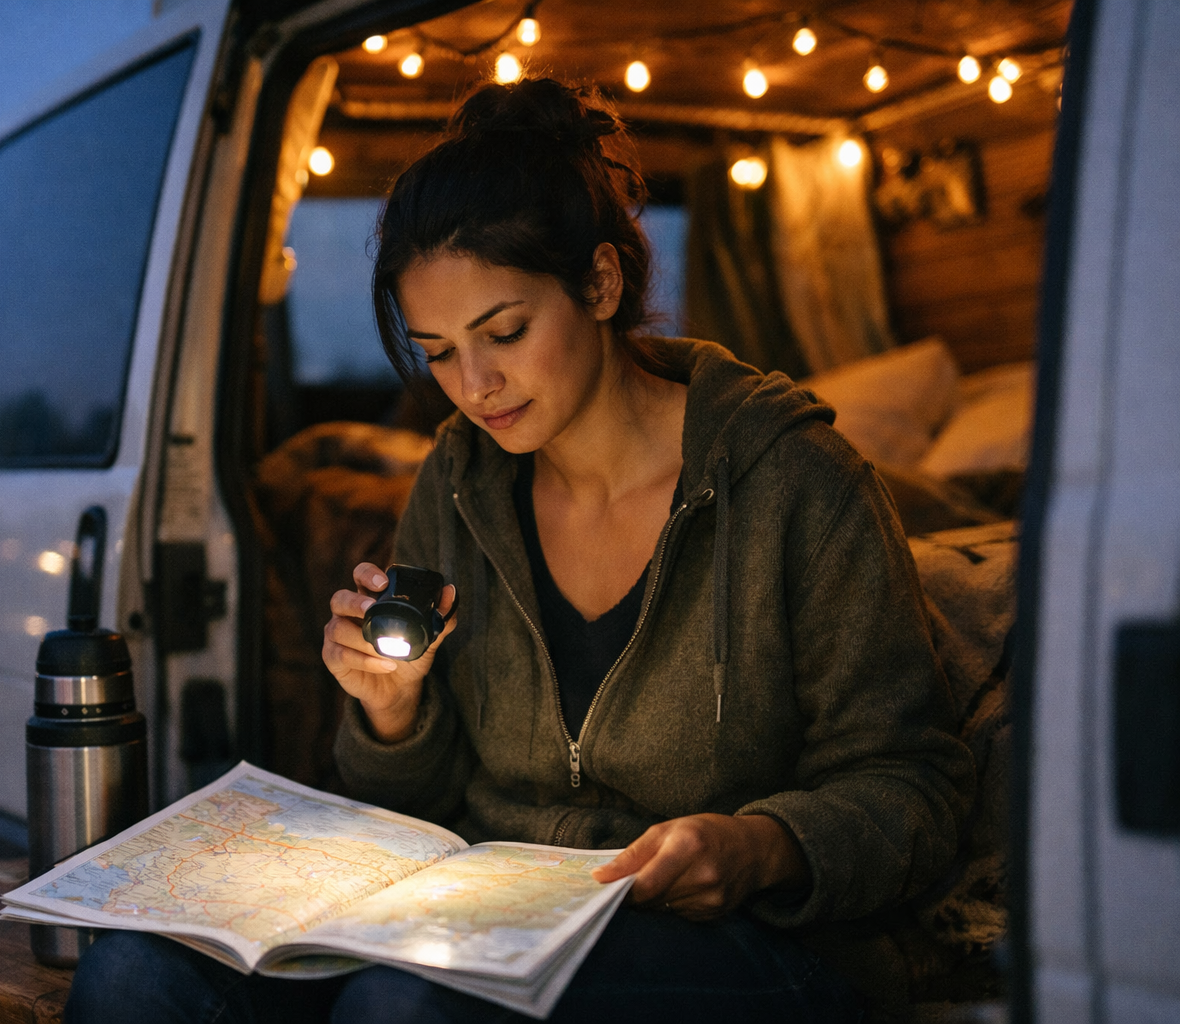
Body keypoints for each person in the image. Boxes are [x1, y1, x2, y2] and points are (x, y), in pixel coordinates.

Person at [65, 78, 973, 1023]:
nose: (476, 385)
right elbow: (414, 797)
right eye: (441, 351)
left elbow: (917, 785)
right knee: (136, 972)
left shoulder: (796, 482)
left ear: (601, 283)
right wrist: (391, 713)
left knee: (403, 1006)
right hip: (493, 909)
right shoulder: (459, 487)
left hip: (746, 941)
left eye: (504, 332)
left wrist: (763, 845)